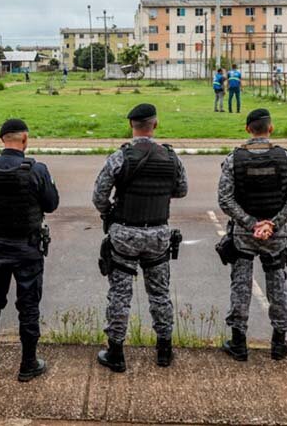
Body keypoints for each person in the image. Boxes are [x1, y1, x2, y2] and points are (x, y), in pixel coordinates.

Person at [92, 104, 188, 372]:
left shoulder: (120, 157)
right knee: (159, 293)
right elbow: (182, 190)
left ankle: (116, 353)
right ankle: (164, 350)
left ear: (131, 126)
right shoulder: (170, 157)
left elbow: (99, 195)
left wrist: (110, 212)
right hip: (158, 234)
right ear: (155, 125)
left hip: (125, 233)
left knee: (120, 295)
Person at [0, 119, 59, 382]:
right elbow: (52, 204)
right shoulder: (36, 170)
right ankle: (28, 364)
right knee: (29, 306)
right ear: (25, 139)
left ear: (2, 141)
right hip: (27, 247)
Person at [217, 108, 287, 361]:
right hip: (274, 236)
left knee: (241, 286)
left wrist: (250, 223)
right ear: (271, 128)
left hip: (244, 235)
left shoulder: (234, 159)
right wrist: (272, 225)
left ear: (247, 129)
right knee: (277, 286)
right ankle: (278, 342)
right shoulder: (286, 158)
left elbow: (225, 199)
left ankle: (239, 343)